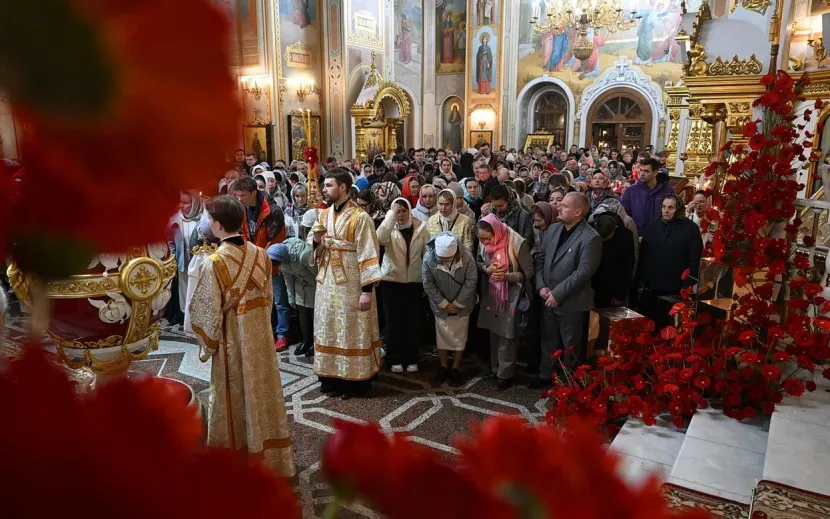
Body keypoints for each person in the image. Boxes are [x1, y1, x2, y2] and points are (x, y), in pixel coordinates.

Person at [189, 195, 295, 477]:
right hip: (260, 338)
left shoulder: (214, 263)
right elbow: (269, 298)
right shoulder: (261, 253)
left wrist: (207, 345)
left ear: (217, 225)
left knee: (233, 394)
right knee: (262, 391)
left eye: (210, 219)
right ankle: (270, 459)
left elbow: (204, 312)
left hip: (232, 342)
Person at [309, 168, 383, 399]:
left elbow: (369, 253)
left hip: (352, 284)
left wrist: (366, 292)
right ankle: (331, 378)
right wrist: (317, 239)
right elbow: (313, 248)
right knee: (329, 327)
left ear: (343, 187)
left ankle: (353, 382)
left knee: (352, 330)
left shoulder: (361, 217)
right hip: (327, 283)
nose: (325, 189)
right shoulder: (322, 215)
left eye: (329, 185)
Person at [531, 193, 602, 388]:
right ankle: (545, 375)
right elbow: (541, 259)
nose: (558, 208)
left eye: (564, 206)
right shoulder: (553, 229)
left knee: (570, 344)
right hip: (547, 296)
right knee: (548, 339)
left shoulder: (590, 237)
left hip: (572, 301)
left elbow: (584, 272)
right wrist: (541, 286)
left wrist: (558, 293)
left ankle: (570, 383)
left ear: (578, 212)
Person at [476, 213, 534, 391]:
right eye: (482, 239)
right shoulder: (484, 240)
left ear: (497, 230)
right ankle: (495, 368)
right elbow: (479, 261)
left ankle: (506, 373)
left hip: (512, 294)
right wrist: (488, 268)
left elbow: (529, 271)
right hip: (492, 292)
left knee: (508, 335)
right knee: (494, 331)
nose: (485, 243)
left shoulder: (517, 242)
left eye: (488, 238)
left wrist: (508, 276)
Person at [376, 198, 429, 373]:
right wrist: (390, 216)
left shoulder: (421, 228)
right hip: (392, 281)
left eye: (403, 211)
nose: (400, 215)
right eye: (397, 211)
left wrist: (425, 279)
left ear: (410, 211)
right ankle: (394, 358)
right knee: (394, 322)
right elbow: (379, 238)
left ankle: (411, 357)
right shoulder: (389, 229)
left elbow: (427, 255)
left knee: (412, 322)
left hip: (414, 282)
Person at [637, 194, 703, 327]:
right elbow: (643, 255)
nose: (666, 211)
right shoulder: (653, 226)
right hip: (652, 287)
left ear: (678, 209)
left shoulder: (690, 229)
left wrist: (687, 284)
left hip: (675, 289)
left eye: (671, 208)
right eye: (664, 207)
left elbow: (694, 259)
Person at [423, 232, 478, 387]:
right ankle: (443, 366)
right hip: (440, 305)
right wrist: (444, 304)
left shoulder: (467, 258)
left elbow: (471, 281)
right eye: (442, 258)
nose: (445, 260)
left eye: (448, 257)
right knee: (442, 335)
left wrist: (458, 303)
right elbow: (428, 284)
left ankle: (456, 368)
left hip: (462, 304)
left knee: (460, 337)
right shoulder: (429, 258)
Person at [266, 209, 319, 357]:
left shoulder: (303, 254)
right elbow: (288, 279)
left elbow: (317, 273)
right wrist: (291, 298)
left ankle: (316, 343)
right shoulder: (281, 259)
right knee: (302, 314)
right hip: (299, 287)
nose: (278, 266)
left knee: (314, 315)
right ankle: (306, 341)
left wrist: (321, 291)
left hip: (313, 285)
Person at [168, 190, 204, 326]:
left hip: (199, 263)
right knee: (184, 291)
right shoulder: (175, 220)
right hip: (183, 262)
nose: (182, 206)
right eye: (181, 202)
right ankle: (185, 318)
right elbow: (170, 240)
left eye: (186, 203)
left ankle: (199, 318)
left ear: (195, 204)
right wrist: (173, 257)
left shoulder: (203, 219)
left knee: (198, 290)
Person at [591, 212, 635, 308]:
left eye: (606, 238)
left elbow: (627, 268)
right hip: (592, 288)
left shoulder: (625, 236)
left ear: (614, 229)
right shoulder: (591, 229)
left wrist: (620, 295)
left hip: (613, 288)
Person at [620, 157, 675, 234]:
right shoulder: (631, 191)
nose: (642, 174)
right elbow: (624, 216)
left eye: (646, 171)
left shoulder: (668, 191)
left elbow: (674, 214)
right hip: (637, 236)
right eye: (641, 170)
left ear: (655, 173)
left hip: (661, 236)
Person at [484, 184, 535, 249]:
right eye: (495, 206)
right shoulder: (490, 213)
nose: (497, 209)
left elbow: (528, 241)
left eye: (500, 206)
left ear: (509, 201)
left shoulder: (522, 215)